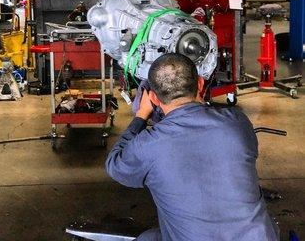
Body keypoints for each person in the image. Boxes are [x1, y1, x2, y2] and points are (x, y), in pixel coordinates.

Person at [106, 53, 279, 241]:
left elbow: (115, 166)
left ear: (154, 99)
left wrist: (140, 116)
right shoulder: (237, 122)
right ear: (200, 84)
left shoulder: (148, 145)